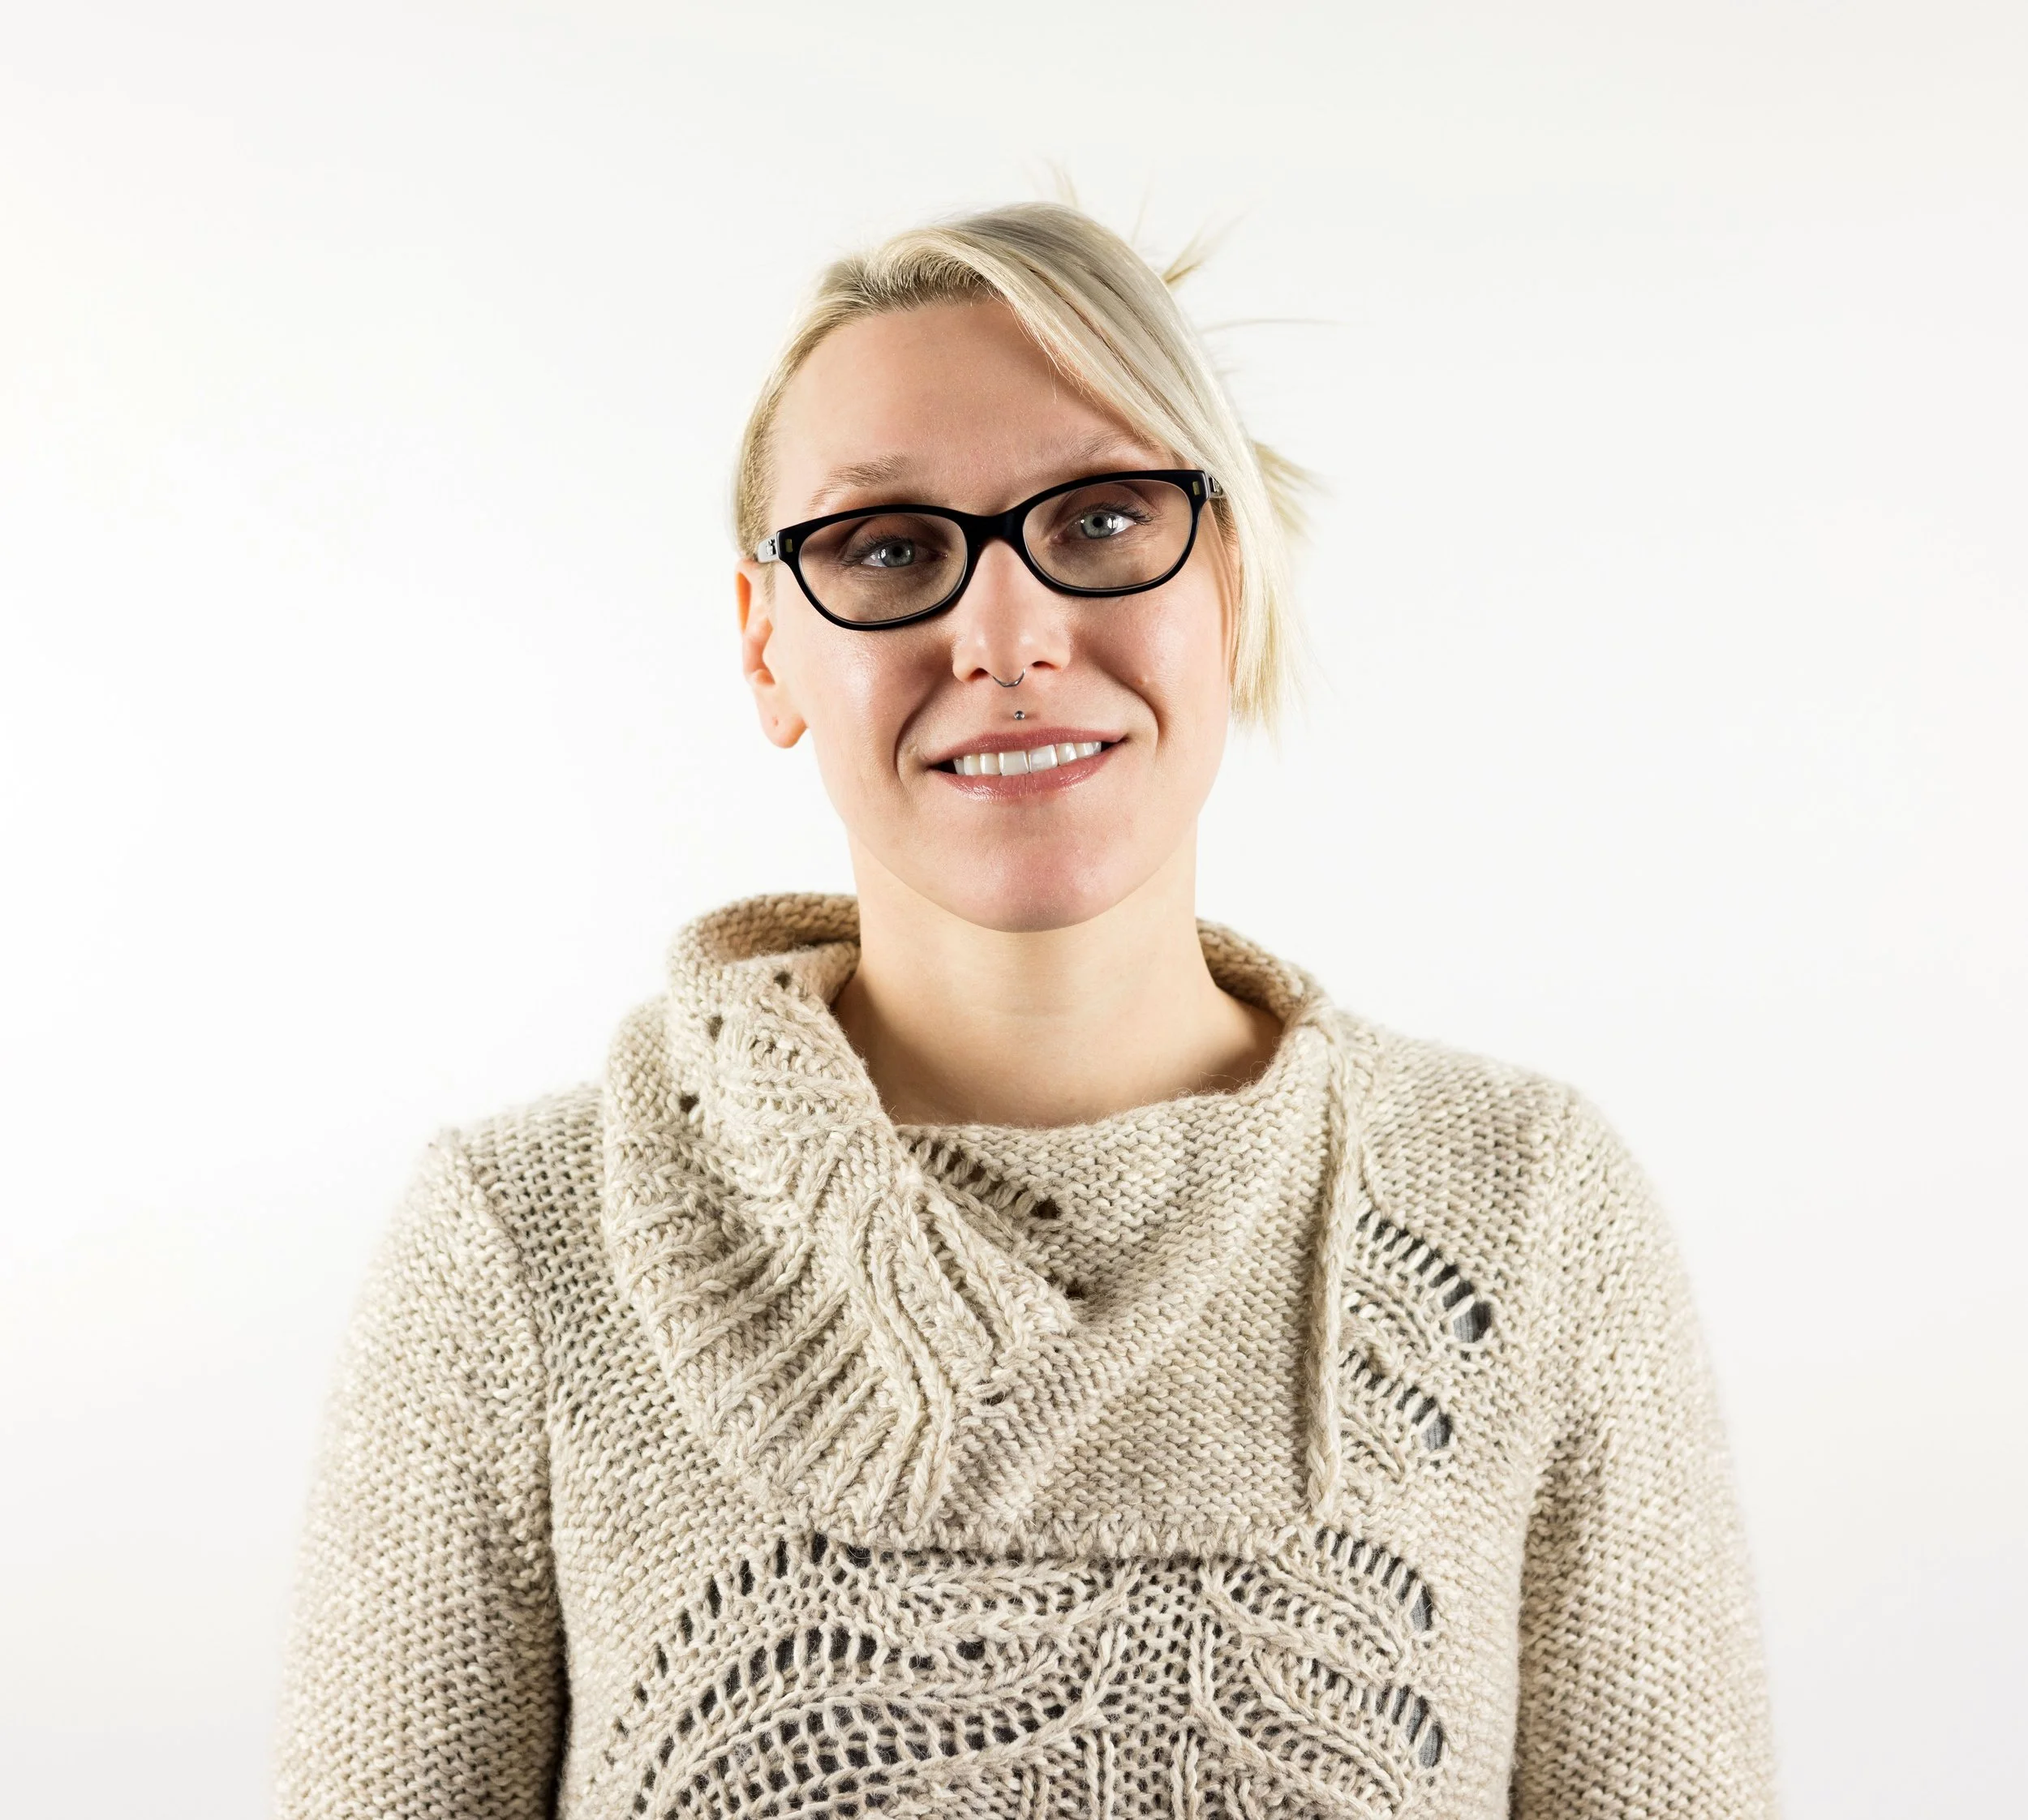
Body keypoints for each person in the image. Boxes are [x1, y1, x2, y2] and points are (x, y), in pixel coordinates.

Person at [274, 202, 1777, 1819]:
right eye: (889, 549)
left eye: (1102, 519)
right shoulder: (518, 1245)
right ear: (765, 650)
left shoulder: (1525, 1208)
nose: (1007, 637)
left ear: (1231, 582)